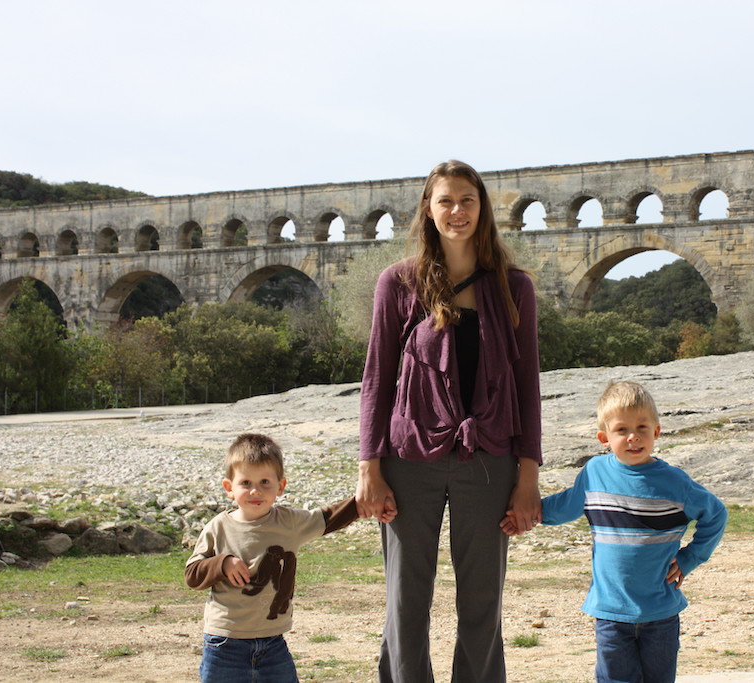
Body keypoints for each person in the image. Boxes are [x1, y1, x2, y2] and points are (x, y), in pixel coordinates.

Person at [356, 159, 543, 683]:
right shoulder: (398, 283)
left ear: (482, 208)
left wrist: (528, 477)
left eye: (467, 200)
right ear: (428, 209)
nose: (457, 211)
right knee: (405, 597)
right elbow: (377, 380)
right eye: (446, 201)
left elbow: (528, 387)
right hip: (407, 458)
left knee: (483, 600)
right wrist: (369, 467)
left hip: (490, 458)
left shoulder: (514, 287)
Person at [505, 380, 726, 683]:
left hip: (660, 612)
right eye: (621, 430)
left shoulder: (676, 483)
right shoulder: (595, 473)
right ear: (604, 437)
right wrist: (524, 516)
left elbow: (716, 515)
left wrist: (691, 558)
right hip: (610, 611)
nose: (633, 437)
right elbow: (564, 506)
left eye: (642, 428)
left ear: (657, 432)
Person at [185, 433, 358, 683]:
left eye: (265, 482)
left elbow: (329, 517)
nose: (255, 490)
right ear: (229, 488)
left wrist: (364, 500)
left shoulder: (289, 522)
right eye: (245, 483)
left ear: (281, 486)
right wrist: (222, 563)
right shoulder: (218, 527)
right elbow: (192, 575)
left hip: (273, 644)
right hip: (224, 643)